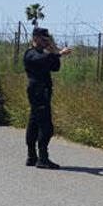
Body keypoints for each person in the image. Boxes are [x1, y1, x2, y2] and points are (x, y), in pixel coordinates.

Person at [23, 28, 72, 169]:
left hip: (43, 91)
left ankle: (32, 157)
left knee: (33, 123)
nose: (46, 42)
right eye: (44, 39)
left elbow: (55, 67)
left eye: (47, 39)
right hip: (37, 92)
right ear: (36, 38)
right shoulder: (30, 54)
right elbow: (41, 60)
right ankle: (42, 158)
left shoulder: (44, 54)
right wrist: (58, 54)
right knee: (46, 126)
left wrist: (53, 52)